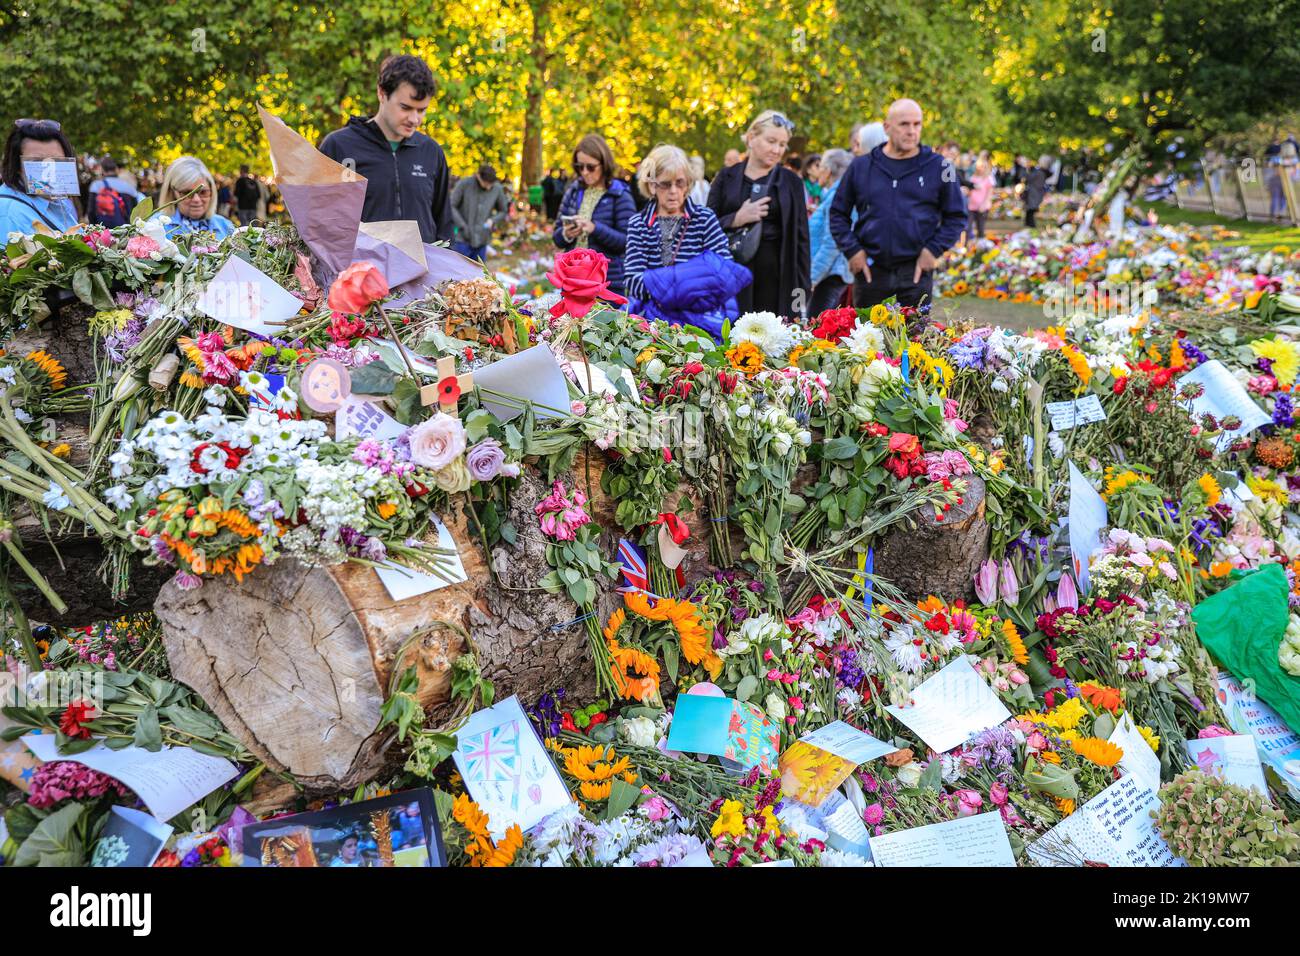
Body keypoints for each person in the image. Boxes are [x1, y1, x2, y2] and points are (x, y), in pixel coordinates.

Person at [829, 98, 966, 318]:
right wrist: (852, 251)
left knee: (914, 345)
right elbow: (837, 213)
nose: (911, 131)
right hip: (871, 272)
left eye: (917, 124)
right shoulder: (861, 166)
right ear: (887, 127)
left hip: (916, 273)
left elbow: (956, 216)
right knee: (867, 345)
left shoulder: (939, 166)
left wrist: (933, 250)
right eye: (904, 124)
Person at [320, 54, 453, 243]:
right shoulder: (338, 147)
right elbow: (319, 221)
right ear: (382, 93)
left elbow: (444, 225)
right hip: (360, 270)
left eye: (421, 110)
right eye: (406, 108)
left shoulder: (431, 152)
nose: (415, 119)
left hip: (423, 270)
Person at [623, 143, 748, 337]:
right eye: (665, 184)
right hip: (653, 326)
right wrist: (689, 283)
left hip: (700, 326)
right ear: (651, 185)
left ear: (688, 184)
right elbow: (633, 279)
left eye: (680, 183)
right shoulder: (638, 223)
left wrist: (662, 284)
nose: (673, 190)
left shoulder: (704, 218)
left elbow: (723, 271)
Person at [707, 109, 810, 317]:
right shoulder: (726, 177)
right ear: (752, 138)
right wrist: (736, 219)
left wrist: (802, 292)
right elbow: (705, 227)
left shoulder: (792, 182)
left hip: (778, 278)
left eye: (782, 145)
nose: (777, 150)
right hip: (733, 275)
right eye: (771, 141)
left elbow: (801, 240)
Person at [554, 133, 636, 295]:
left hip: (606, 284)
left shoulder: (620, 195)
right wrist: (566, 234)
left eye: (590, 167)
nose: (584, 172)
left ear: (604, 164)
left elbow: (627, 242)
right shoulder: (573, 190)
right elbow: (556, 237)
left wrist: (595, 228)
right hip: (572, 281)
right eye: (579, 166)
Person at [0, 118, 80, 236]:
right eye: (36, 161)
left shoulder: (58, 202)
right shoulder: (7, 213)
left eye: (57, 160)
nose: (49, 168)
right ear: (17, 166)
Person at [807, 149, 854, 316]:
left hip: (829, 274)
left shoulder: (837, 196)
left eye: (820, 166)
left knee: (817, 328)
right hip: (831, 273)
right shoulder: (836, 194)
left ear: (828, 170)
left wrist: (812, 277)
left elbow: (832, 242)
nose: (818, 171)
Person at [154, 156, 236, 239]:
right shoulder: (154, 227)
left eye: (203, 192)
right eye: (187, 193)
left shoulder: (226, 227)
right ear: (172, 193)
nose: (196, 199)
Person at [450, 163, 508, 262]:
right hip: (462, 238)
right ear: (478, 176)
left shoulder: (497, 188)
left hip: (482, 238)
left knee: (478, 273)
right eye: (486, 183)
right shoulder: (464, 184)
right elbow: (451, 205)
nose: (488, 187)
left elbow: (503, 211)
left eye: (491, 184)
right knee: (459, 272)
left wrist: (493, 220)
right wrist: (462, 225)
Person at [87, 156, 141, 228]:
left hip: (102, 230)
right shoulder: (128, 187)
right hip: (124, 231)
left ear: (102, 170)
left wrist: (94, 228)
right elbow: (135, 212)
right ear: (116, 169)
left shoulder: (96, 186)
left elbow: (91, 212)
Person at [967, 157, 995, 239]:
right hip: (971, 206)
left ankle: (980, 246)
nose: (980, 168)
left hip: (982, 207)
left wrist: (984, 204)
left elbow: (989, 194)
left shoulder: (989, 178)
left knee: (980, 228)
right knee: (967, 227)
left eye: (983, 166)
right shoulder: (972, 177)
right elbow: (969, 191)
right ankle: (967, 246)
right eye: (979, 166)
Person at [1024, 155, 1050, 229]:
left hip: (1034, 192)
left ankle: (1031, 224)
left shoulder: (1039, 172)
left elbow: (1029, 178)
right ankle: (1029, 223)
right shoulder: (1042, 172)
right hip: (1037, 192)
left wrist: (1027, 169)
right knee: (1031, 210)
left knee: (1031, 210)